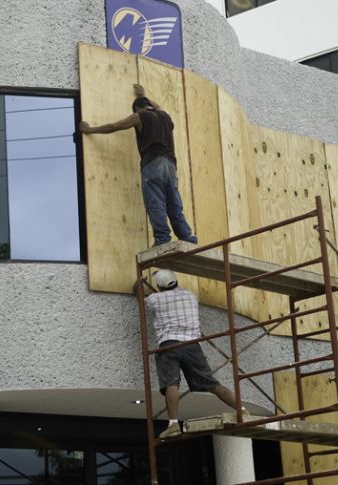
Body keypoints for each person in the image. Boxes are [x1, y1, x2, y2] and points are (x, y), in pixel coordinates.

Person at [79, 84, 198, 246]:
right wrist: (143, 95)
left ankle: (162, 238)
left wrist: (90, 130)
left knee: (155, 201)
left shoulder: (139, 116)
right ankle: (186, 236)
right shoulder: (165, 116)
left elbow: (113, 127)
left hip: (152, 164)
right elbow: (158, 106)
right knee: (173, 202)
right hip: (170, 166)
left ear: (137, 109)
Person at [137, 269, 247, 439]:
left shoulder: (155, 299)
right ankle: (241, 410)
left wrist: (138, 284)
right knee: (212, 384)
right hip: (192, 345)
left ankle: (173, 424)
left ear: (158, 286)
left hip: (168, 345)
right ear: (176, 281)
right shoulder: (190, 296)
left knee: (171, 384)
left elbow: (140, 298)